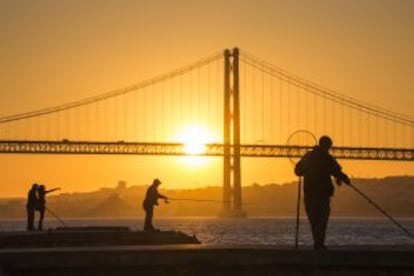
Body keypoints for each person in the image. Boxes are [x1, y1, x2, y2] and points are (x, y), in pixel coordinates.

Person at [295, 135, 350, 250]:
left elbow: (298, 171)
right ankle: (319, 243)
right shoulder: (328, 158)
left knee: (314, 219)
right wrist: (345, 179)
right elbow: (337, 172)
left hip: (311, 193)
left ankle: (318, 243)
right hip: (323, 194)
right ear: (327, 146)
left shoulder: (308, 156)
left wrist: (301, 169)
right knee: (322, 220)